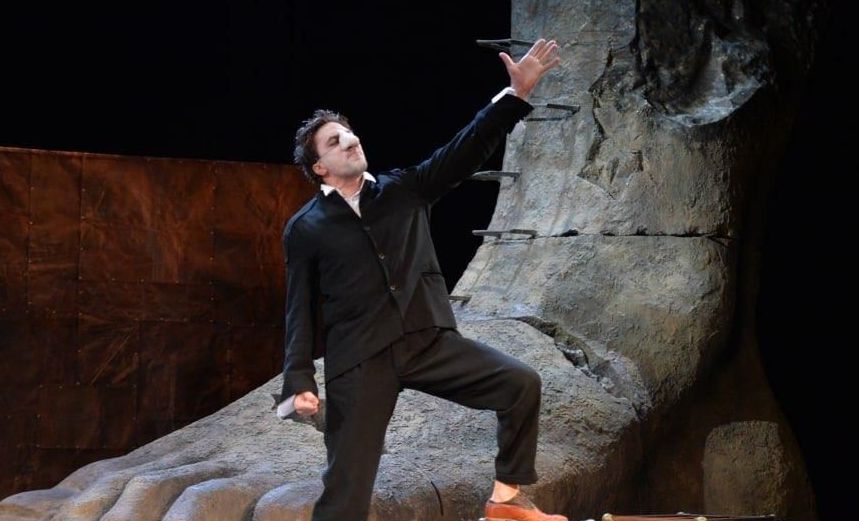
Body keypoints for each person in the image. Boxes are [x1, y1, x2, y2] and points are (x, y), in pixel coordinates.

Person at [277, 38, 567, 521]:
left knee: (520, 384)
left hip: (427, 340)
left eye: (349, 134)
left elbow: (462, 151)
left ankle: (506, 501)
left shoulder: (404, 189)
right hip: (361, 359)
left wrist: (514, 95)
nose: (349, 141)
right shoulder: (306, 228)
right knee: (346, 489)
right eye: (334, 141)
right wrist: (299, 380)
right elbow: (299, 310)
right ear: (320, 168)